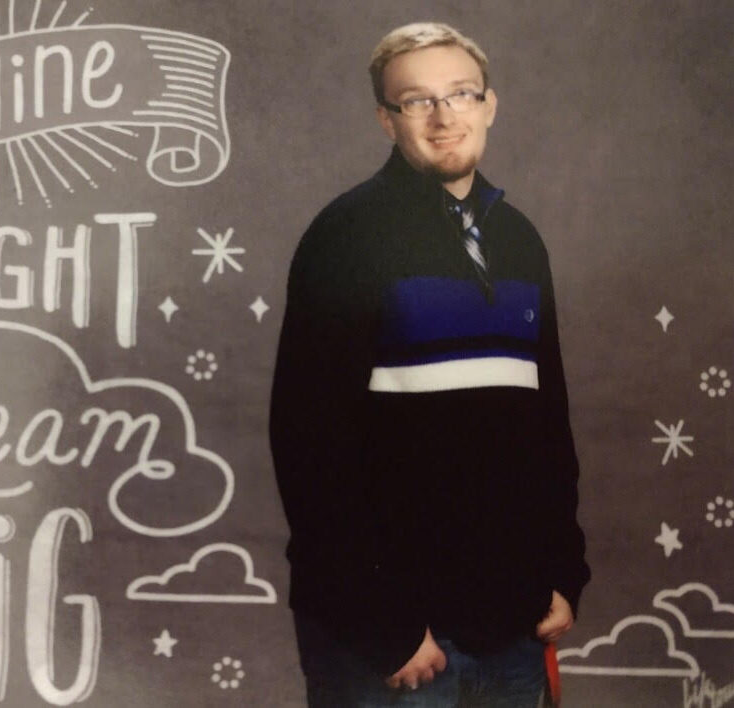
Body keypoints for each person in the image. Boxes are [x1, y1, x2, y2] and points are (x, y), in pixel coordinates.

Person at [269, 21, 590, 707]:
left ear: (489, 105)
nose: (444, 116)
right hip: (398, 642)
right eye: (417, 101)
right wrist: (382, 627)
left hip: (513, 626)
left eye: (461, 94)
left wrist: (563, 571)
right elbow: (308, 448)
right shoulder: (347, 237)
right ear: (387, 120)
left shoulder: (518, 239)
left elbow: (545, 426)